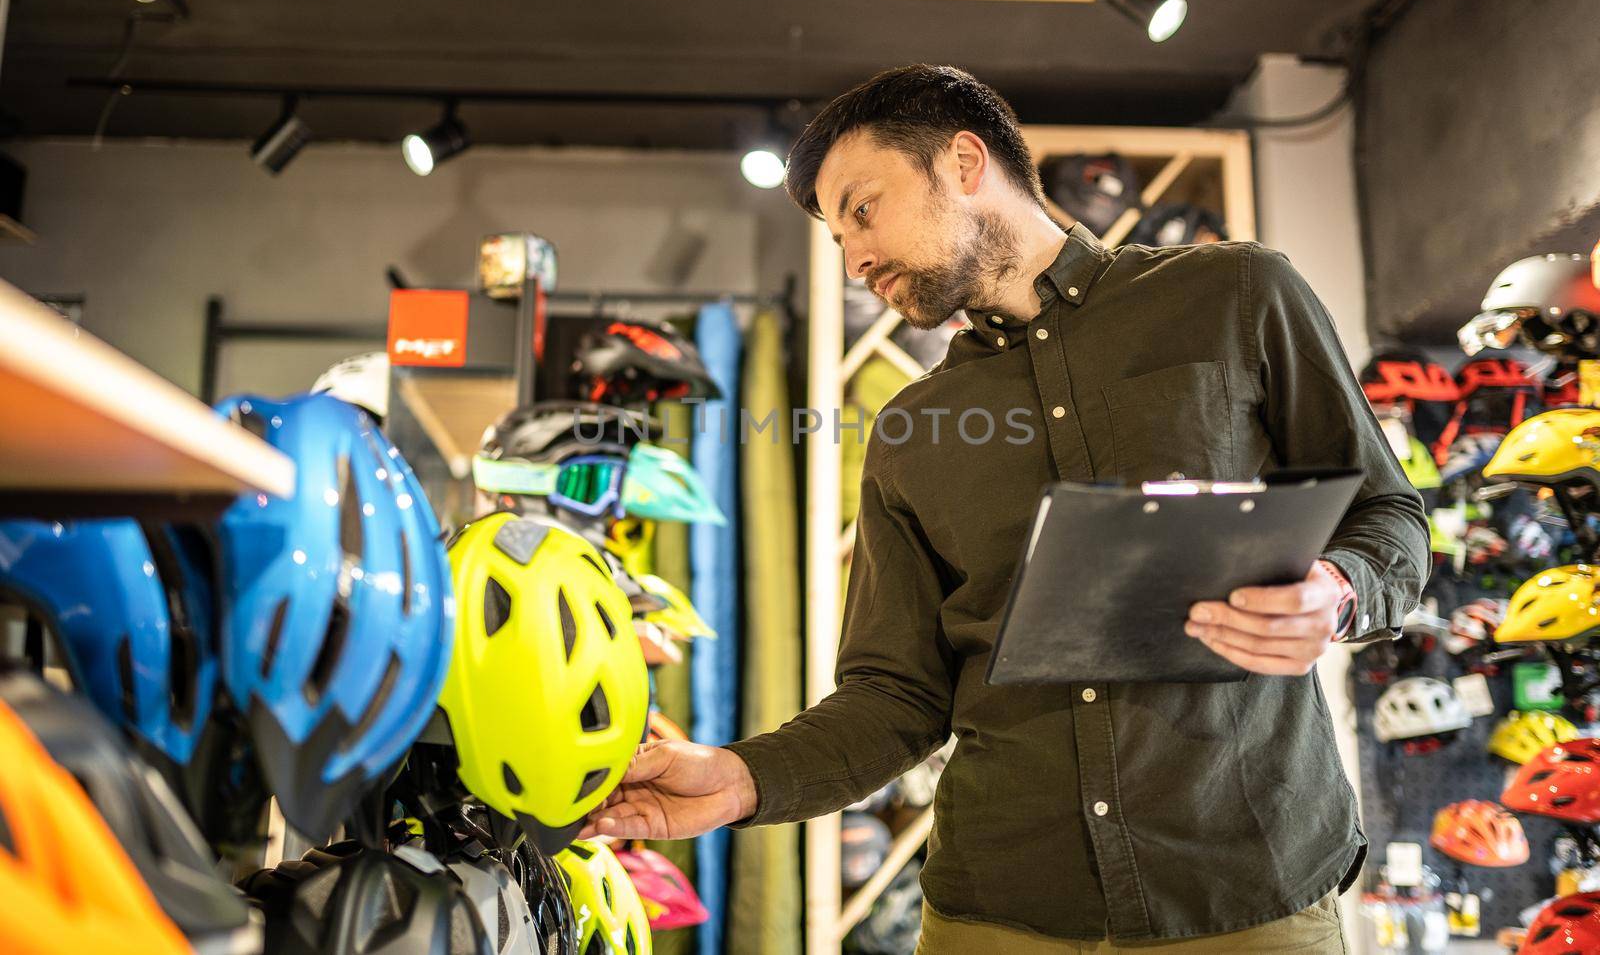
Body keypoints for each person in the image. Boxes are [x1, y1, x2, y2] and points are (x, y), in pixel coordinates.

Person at [579, 65, 1427, 953]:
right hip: (997, 913)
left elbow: (1389, 516)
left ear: (964, 160)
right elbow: (895, 696)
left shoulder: (1236, 297)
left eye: (861, 211)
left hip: (1244, 891)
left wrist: (1337, 589)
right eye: (836, 240)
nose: (854, 258)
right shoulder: (909, 430)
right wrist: (743, 776)